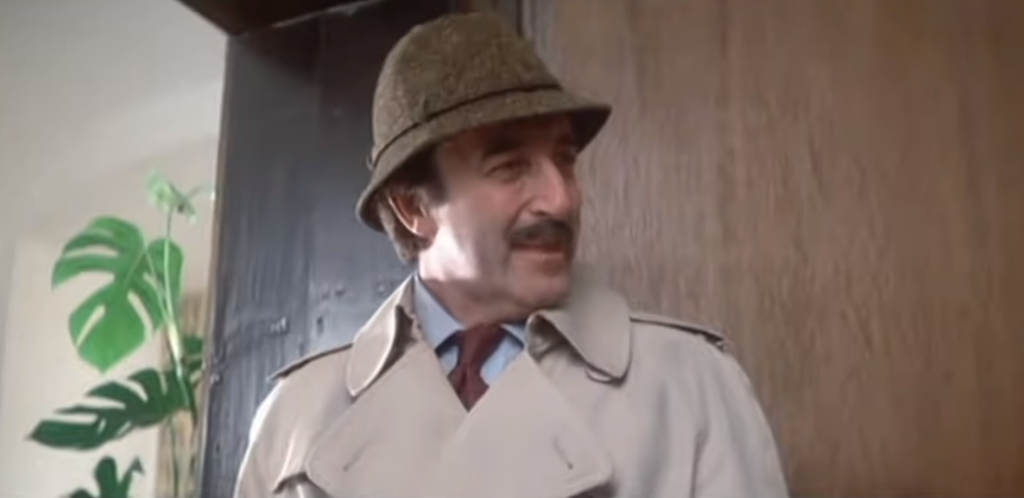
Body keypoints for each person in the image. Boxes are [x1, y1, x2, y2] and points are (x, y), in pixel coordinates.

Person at [233, 11, 788, 498]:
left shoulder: (692, 386)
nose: (561, 199)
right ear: (413, 207)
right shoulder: (296, 416)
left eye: (564, 160)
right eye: (510, 167)